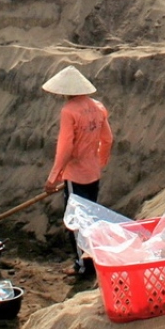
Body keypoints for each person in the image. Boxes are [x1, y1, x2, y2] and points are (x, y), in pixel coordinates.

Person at [42, 65, 113, 276]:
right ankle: (93, 260)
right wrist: (99, 161)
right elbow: (108, 139)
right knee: (90, 219)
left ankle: (82, 265)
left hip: (76, 175)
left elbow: (66, 147)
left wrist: (53, 177)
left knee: (75, 222)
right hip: (93, 173)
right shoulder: (98, 107)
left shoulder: (69, 111)